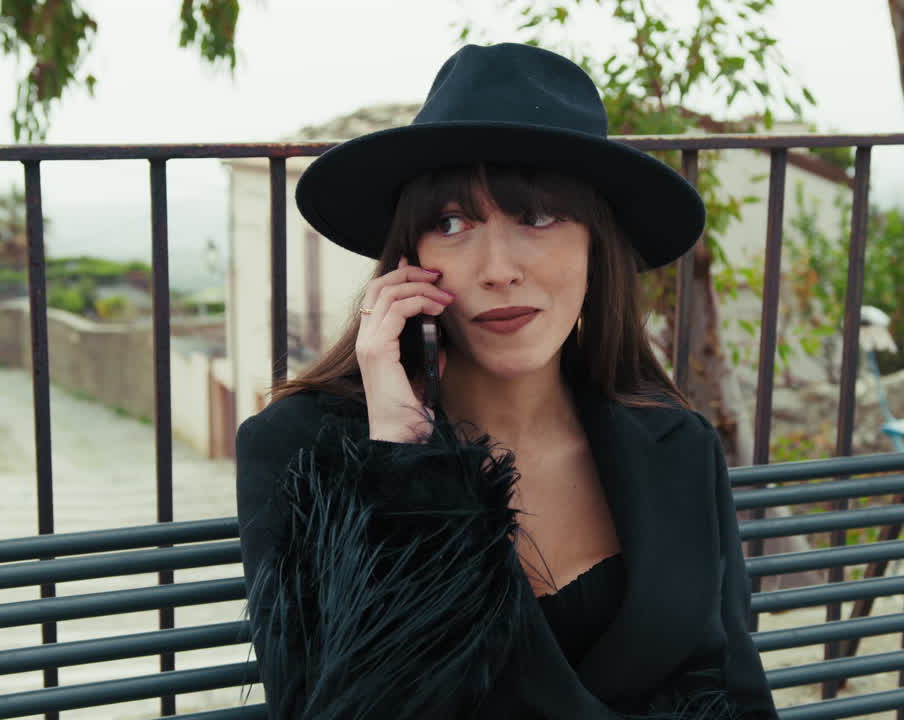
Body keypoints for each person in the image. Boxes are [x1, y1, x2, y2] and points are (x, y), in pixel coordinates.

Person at [236, 42, 778, 720]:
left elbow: (732, 684)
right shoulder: (302, 451)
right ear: (409, 261)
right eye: (451, 223)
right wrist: (404, 462)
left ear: (597, 247)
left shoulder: (676, 444)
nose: (497, 269)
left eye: (538, 217)